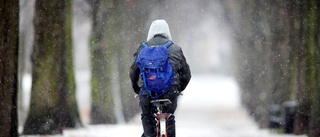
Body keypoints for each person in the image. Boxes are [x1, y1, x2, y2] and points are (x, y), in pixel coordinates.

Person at [130, 19, 191, 137]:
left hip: (148, 93)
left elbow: (133, 72)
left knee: (147, 115)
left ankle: (149, 134)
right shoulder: (175, 49)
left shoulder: (142, 48)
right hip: (170, 93)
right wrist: (178, 89)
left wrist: (137, 88)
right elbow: (186, 74)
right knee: (169, 116)